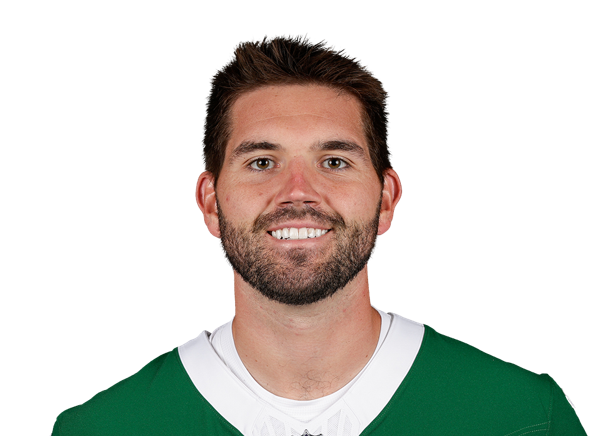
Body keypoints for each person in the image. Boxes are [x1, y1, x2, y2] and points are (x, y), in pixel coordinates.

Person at [51, 35, 586, 435]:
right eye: (262, 162)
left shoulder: (524, 417)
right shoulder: (99, 430)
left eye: (334, 161)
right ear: (211, 202)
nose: (298, 192)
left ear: (386, 199)